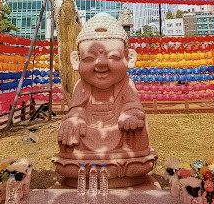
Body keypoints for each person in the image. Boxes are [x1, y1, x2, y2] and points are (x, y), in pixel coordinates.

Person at [56, 13, 151, 162]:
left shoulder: (126, 84)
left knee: (137, 129)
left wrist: (130, 115)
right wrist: (75, 120)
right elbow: (77, 109)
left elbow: (133, 106)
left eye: (113, 57)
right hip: (88, 134)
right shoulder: (81, 85)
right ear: (76, 61)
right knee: (69, 131)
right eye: (89, 58)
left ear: (129, 58)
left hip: (120, 133)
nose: (101, 64)